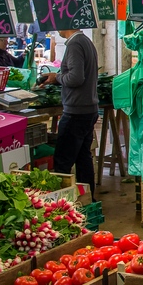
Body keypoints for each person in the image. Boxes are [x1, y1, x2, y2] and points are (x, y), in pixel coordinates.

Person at [39, 29, 99, 189]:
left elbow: (76, 77)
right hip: (87, 110)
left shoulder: (75, 44)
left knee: (63, 162)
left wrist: (56, 77)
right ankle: (87, 200)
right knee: (83, 158)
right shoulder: (85, 41)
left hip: (76, 112)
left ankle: (64, 204)